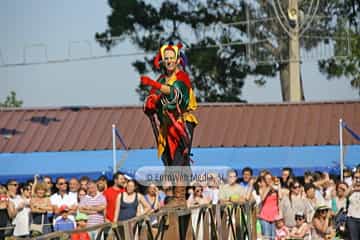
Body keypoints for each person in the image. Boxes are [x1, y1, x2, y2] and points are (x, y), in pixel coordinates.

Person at [140, 41, 198, 205]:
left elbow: (176, 94)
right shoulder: (162, 78)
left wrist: (154, 85)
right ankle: (175, 194)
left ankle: (180, 197)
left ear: (178, 59)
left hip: (181, 122)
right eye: (166, 58)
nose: (169, 61)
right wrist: (150, 103)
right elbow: (152, 97)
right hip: (166, 125)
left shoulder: (182, 77)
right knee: (169, 160)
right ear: (162, 60)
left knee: (180, 158)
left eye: (172, 58)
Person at [258, 172, 280, 240]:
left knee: (273, 237)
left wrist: (279, 186)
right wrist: (269, 187)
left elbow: (280, 197)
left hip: (274, 216)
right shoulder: (262, 189)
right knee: (267, 237)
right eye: (267, 179)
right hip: (265, 216)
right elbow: (262, 198)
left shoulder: (275, 189)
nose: (269, 180)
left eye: (270, 178)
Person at [346, 170, 360, 240]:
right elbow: (345, 194)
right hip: (352, 218)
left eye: (359, 177)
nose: (358, 180)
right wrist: (353, 186)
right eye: (356, 177)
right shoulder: (351, 188)